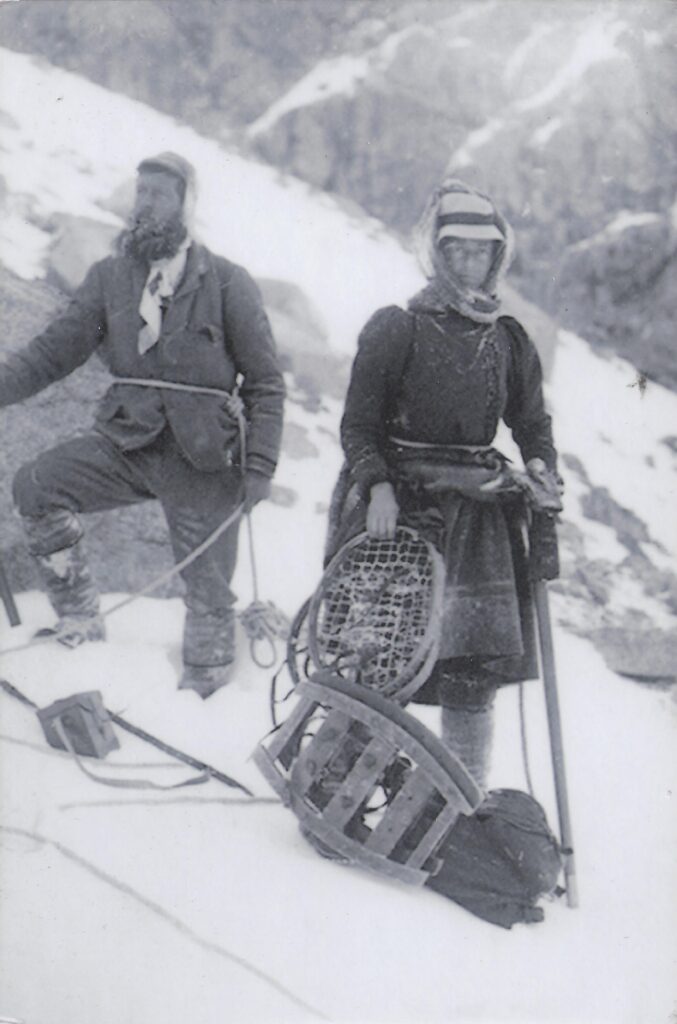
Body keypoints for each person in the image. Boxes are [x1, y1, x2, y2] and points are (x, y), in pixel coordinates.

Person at [0, 151, 285, 699]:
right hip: (127, 440)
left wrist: (261, 467)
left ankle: (206, 695)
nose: (146, 204)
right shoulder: (110, 278)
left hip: (205, 457)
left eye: (159, 193)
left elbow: (267, 384)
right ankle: (79, 619)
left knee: (207, 590)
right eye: (141, 193)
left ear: (186, 205)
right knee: (36, 485)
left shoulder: (228, 282)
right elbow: (52, 353)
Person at [330, 179, 561, 786]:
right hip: (402, 509)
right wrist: (376, 485)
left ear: (496, 257)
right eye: (454, 250)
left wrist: (541, 468)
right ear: (436, 253)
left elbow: (532, 424)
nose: (466, 262)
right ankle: (349, 787)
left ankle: (461, 798)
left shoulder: (507, 340)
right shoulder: (397, 329)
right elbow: (358, 424)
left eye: (478, 252)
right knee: (381, 655)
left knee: (471, 668)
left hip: (479, 519)